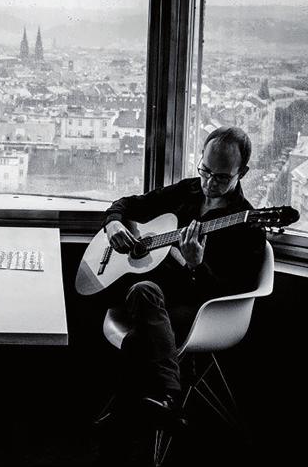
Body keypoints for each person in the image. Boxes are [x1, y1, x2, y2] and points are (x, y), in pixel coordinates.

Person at [95, 126, 266, 443]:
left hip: (202, 310)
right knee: (143, 293)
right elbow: (127, 203)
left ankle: (153, 402)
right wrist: (114, 223)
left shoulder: (249, 225)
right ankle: (163, 404)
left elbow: (231, 290)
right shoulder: (187, 191)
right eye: (204, 171)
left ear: (242, 172)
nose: (209, 183)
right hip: (154, 297)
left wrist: (196, 265)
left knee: (140, 320)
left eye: (221, 177)